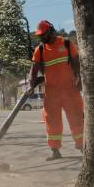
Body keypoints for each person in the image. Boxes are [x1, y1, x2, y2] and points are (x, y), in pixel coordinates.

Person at [29, 20, 84, 161]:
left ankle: (82, 146)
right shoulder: (40, 50)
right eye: (40, 35)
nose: (42, 37)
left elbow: (77, 62)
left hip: (70, 89)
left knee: (76, 117)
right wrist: (31, 85)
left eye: (43, 34)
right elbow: (34, 69)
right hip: (52, 92)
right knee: (52, 120)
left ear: (51, 31)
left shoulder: (66, 44)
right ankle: (55, 150)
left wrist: (80, 79)